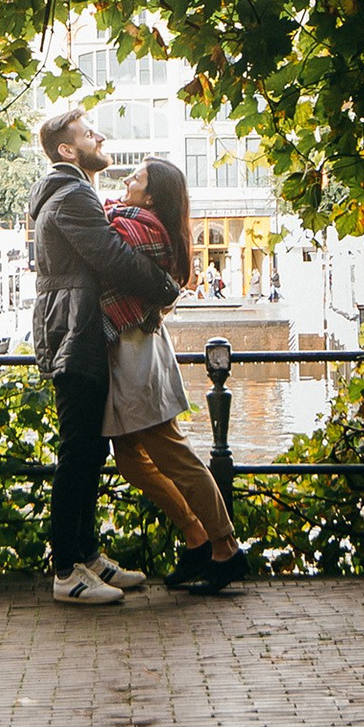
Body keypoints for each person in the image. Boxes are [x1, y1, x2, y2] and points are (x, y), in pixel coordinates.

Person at [28, 105, 178, 605]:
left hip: (76, 326)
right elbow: (112, 257)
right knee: (77, 451)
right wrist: (165, 287)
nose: (101, 137)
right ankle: (67, 571)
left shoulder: (73, 191)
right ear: (68, 150)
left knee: (90, 450)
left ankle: (87, 555)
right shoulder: (72, 196)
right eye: (89, 134)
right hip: (76, 330)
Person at [101, 158, 252, 592]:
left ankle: (225, 548)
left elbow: (100, 245)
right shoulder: (143, 222)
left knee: (174, 457)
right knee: (131, 460)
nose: (127, 180)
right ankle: (196, 537)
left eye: (137, 178)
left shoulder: (141, 229)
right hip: (136, 351)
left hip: (136, 356)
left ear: (151, 196)